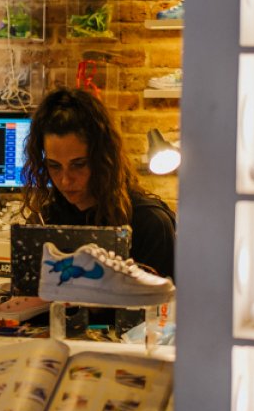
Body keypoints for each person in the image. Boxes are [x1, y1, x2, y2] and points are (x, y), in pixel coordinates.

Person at [21, 88, 176, 280]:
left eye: (78, 165)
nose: (65, 180)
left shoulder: (150, 224)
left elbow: (160, 299)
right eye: (54, 166)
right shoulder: (47, 219)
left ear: (102, 159)